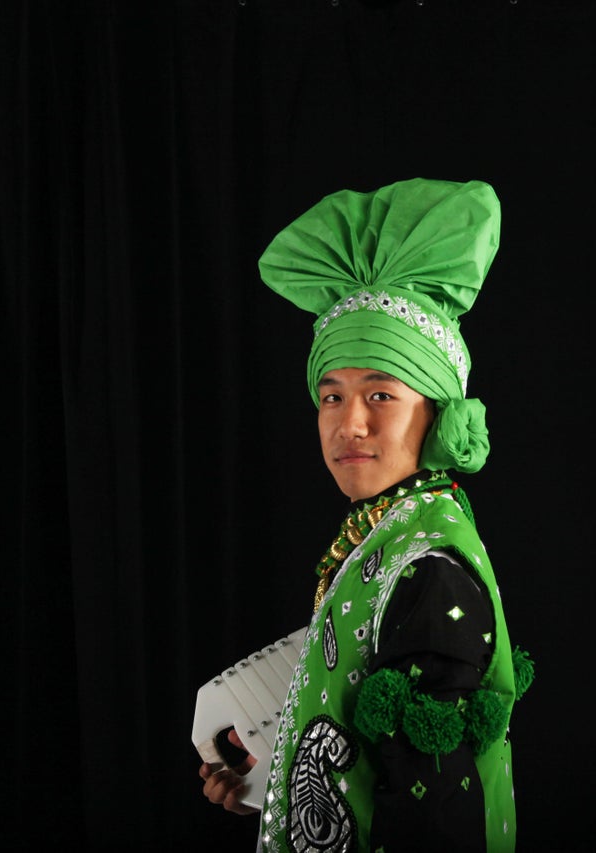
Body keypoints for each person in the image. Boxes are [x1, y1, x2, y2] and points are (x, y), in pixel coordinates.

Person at [199, 177, 533, 853]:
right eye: (332, 396)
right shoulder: (381, 537)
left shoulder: (429, 568)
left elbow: (438, 817)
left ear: (439, 413)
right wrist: (271, 783)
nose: (350, 422)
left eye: (380, 392)